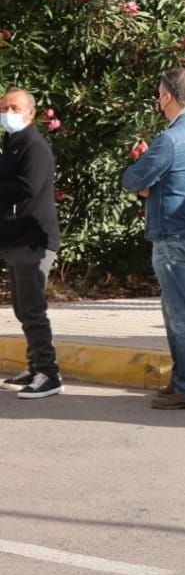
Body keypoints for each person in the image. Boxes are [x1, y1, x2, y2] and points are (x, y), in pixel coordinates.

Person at [120, 68, 185, 409]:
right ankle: (182, 381)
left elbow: (133, 179)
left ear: (166, 98)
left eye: (159, 94)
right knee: (176, 313)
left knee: (181, 316)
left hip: (172, 237)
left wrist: (147, 185)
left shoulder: (170, 139)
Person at [0, 87, 63, 399]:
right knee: (24, 308)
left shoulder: (34, 146)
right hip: (16, 239)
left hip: (33, 241)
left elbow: (26, 188)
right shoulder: (13, 144)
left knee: (33, 309)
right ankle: (35, 365)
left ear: (30, 113)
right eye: (3, 108)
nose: (7, 113)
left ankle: (49, 373)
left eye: (14, 107)